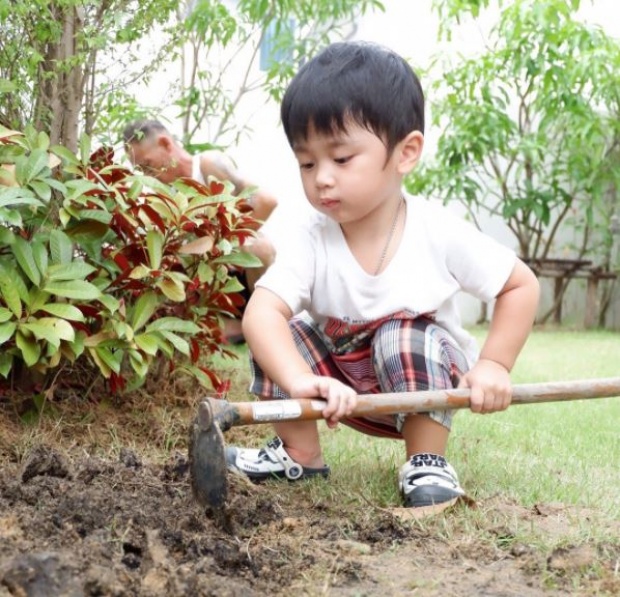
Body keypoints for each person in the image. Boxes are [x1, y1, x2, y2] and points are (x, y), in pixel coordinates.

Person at [225, 41, 540, 508]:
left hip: (419, 385)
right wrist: (299, 380)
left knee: (401, 332)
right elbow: (261, 314)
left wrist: (494, 364)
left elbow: (519, 284)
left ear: (405, 152)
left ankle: (427, 461)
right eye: (307, 163)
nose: (322, 178)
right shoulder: (311, 236)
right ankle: (299, 453)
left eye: (341, 158)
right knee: (283, 331)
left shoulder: (436, 229)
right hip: (339, 393)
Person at [121, 119, 278, 343]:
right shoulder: (169, 194)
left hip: (240, 272)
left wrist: (225, 247)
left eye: (147, 165)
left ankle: (264, 321)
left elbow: (266, 201)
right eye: (141, 171)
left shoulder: (207, 164)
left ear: (165, 144)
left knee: (258, 247)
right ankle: (238, 330)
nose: (148, 174)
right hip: (211, 287)